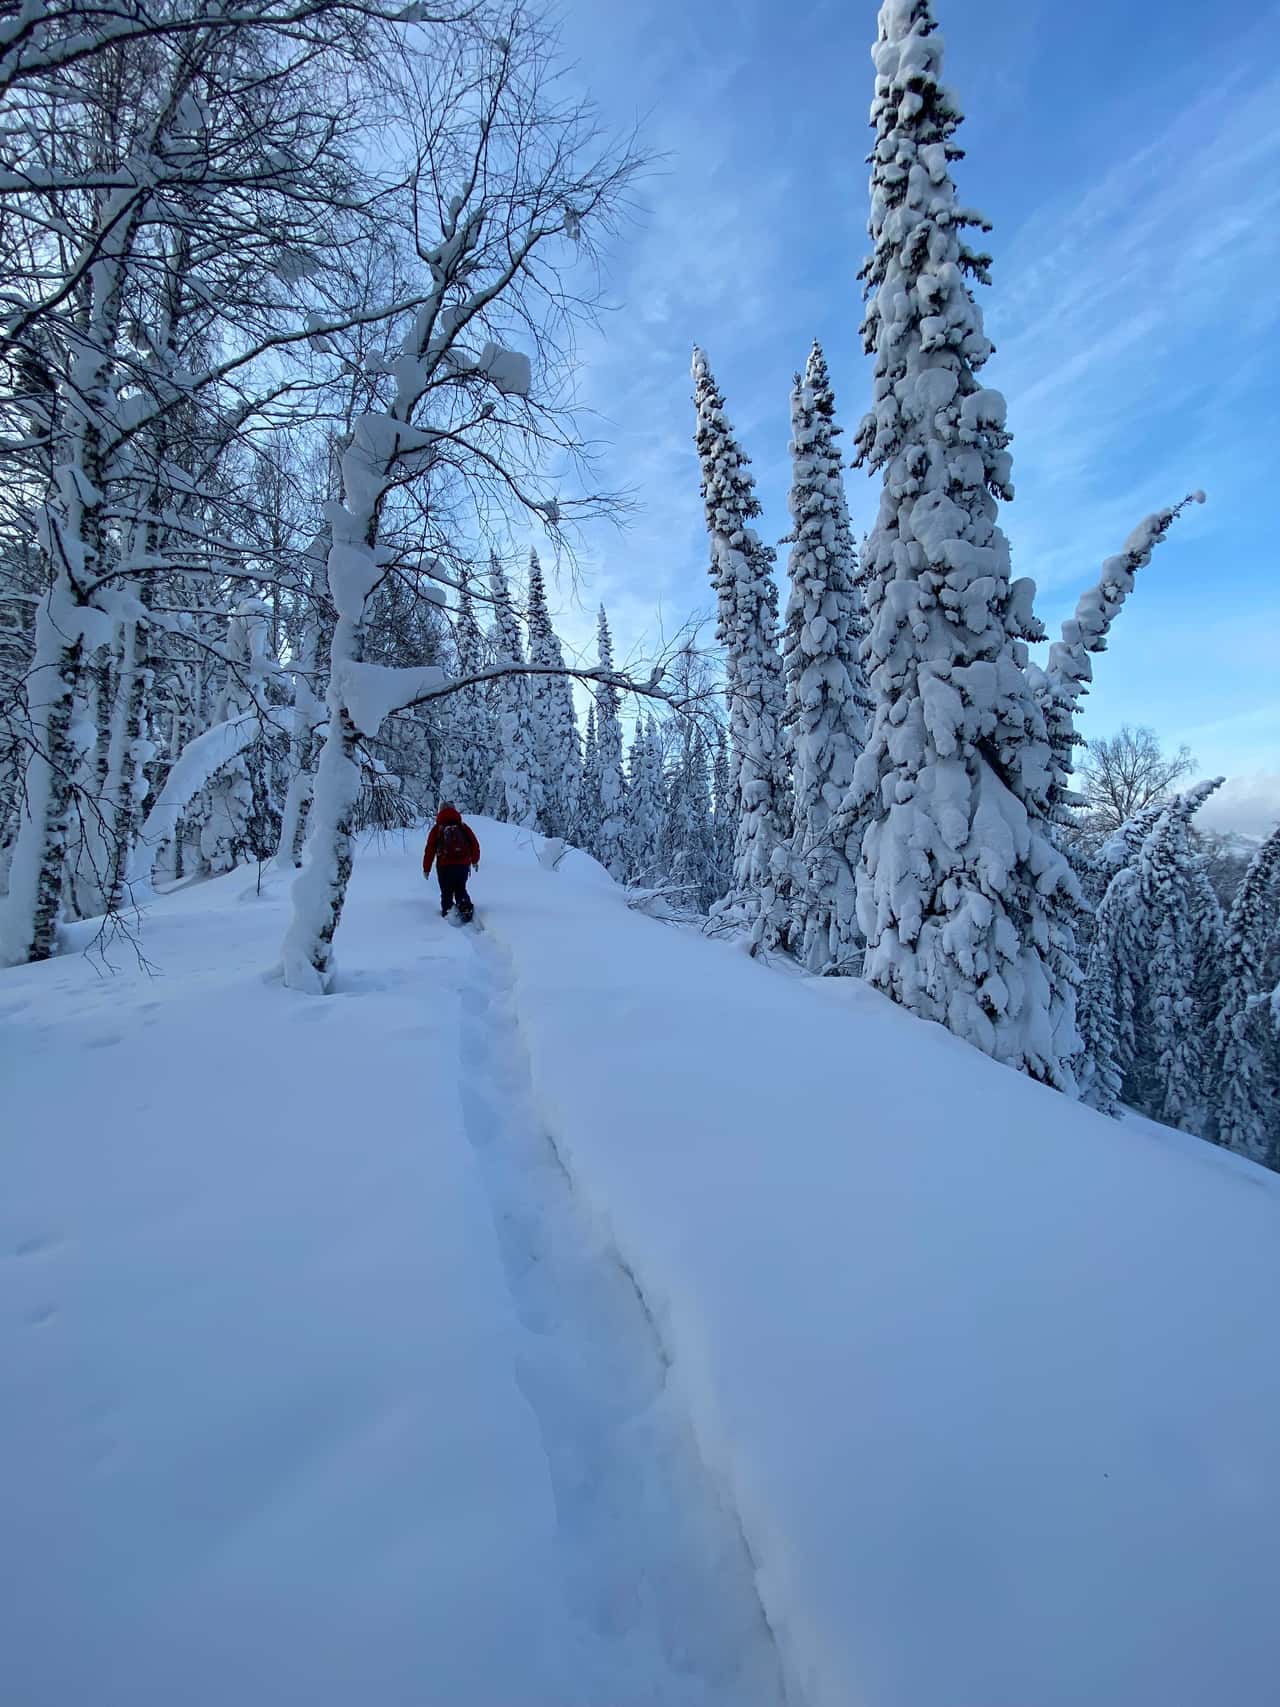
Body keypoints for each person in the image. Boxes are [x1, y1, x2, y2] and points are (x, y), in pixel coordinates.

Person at [423, 802, 480, 922]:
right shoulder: (463, 827)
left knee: (446, 891)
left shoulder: (437, 829)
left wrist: (426, 868)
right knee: (460, 888)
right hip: (463, 865)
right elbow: (474, 844)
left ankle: (449, 914)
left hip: (444, 866)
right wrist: (475, 860)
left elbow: (430, 849)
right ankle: (464, 905)